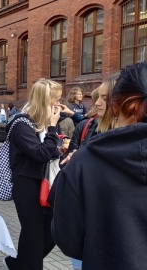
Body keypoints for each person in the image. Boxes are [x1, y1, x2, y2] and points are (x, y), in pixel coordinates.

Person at [51, 62, 147, 270]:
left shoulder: (87, 160)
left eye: (106, 98)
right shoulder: (86, 155)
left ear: (119, 103)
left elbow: (67, 236)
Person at [2, 78, 63, 270]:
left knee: (51, 230)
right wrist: (53, 128)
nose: (58, 104)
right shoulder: (22, 124)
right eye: (56, 99)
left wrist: (61, 149)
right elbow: (40, 154)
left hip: (44, 182)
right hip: (26, 184)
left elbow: (51, 151)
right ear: (44, 100)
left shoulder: (43, 123)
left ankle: (19, 264)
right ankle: (24, 265)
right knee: (33, 233)